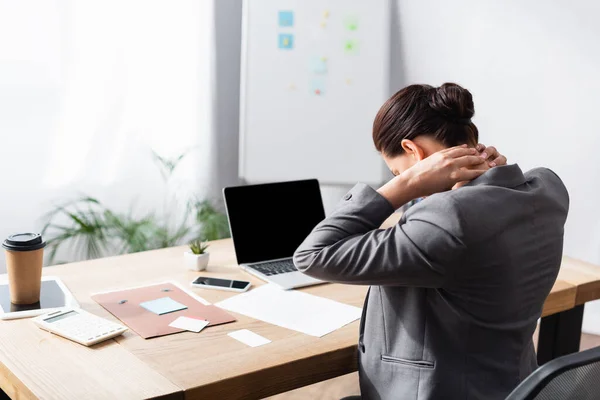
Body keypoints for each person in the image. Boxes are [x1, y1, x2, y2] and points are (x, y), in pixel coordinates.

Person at [293, 83, 569, 400]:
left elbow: (314, 254)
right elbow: (446, 219)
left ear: (414, 151)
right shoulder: (546, 189)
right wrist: (470, 179)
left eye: (396, 172)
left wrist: (406, 184)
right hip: (512, 387)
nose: (402, 182)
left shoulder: (451, 220)